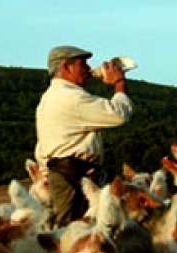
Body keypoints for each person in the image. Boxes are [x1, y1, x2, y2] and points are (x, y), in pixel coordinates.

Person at [34, 45, 133, 229]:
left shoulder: (48, 98)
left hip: (65, 175)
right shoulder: (71, 97)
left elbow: (42, 149)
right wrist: (119, 82)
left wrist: (52, 176)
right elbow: (119, 114)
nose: (88, 68)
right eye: (82, 64)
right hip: (72, 177)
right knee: (73, 234)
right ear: (66, 67)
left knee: (75, 233)